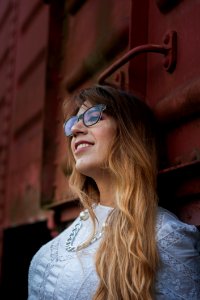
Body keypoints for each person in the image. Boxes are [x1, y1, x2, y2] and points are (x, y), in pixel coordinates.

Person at [28, 85, 200, 300]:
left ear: (128, 133)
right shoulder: (80, 225)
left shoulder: (164, 236)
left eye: (92, 116)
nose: (75, 130)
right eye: (72, 123)